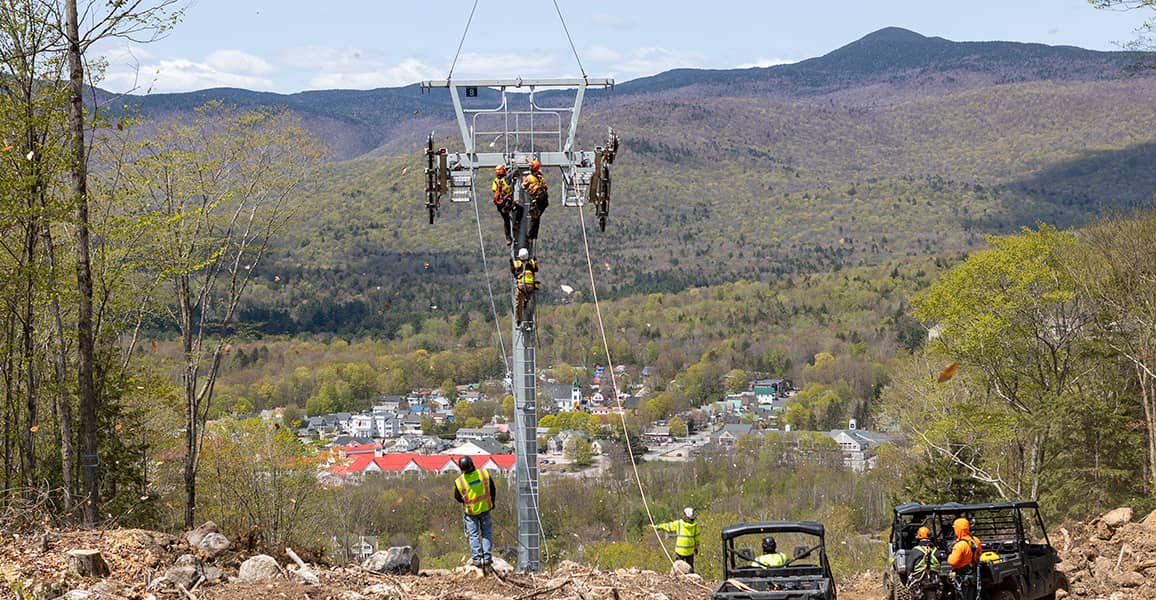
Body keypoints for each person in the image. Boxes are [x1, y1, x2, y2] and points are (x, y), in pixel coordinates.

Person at [453, 456, 496, 567]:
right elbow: (492, 489)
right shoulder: (484, 474)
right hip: (485, 509)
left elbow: (458, 497)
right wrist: (492, 503)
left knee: (473, 535)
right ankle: (487, 558)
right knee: (486, 533)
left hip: (471, 513)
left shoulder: (460, 482)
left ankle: (476, 559)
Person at [654, 507, 700, 573]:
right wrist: (696, 548)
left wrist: (657, 527)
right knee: (690, 568)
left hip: (680, 551)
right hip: (690, 551)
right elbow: (697, 539)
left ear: (685, 515)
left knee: (677, 568)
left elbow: (668, 526)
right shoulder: (695, 526)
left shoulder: (679, 523)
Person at [947, 517, 983, 600]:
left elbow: (952, 562)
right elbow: (979, 553)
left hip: (962, 576)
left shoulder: (960, 545)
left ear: (958, 529)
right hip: (973, 574)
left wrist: (949, 555)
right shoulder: (976, 540)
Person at [906, 525, 941, 598]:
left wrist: (910, 578)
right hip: (933, 580)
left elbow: (909, 567)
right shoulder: (935, 550)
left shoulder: (915, 550)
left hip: (919, 581)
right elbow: (939, 562)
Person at [510, 248, 539, 325]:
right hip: (530, 286)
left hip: (521, 286)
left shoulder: (517, 263)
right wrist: (535, 261)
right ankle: (526, 299)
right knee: (529, 293)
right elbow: (536, 269)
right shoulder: (531, 262)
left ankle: (518, 319)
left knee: (518, 302)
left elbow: (512, 270)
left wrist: (511, 263)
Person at [522, 159, 548, 240]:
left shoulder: (530, 177)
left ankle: (530, 236)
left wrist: (523, 181)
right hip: (544, 199)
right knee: (537, 217)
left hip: (537, 199)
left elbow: (523, 186)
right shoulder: (540, 176)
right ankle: (534, 235)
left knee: (534, 217)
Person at [491, 165, 515, 245]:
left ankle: (508, 238)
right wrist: (514, 167)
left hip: (500, 205)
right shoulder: (506, 179)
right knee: (518, 210)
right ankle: (516, 225)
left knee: (506, 221)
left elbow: (494, 190)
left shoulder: (495, 181)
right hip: (507, 202)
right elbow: (515, 172)